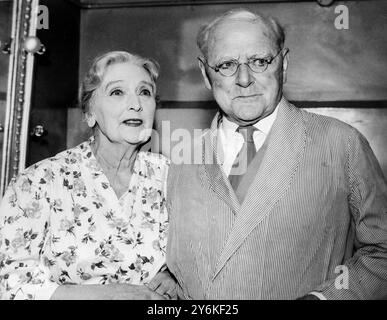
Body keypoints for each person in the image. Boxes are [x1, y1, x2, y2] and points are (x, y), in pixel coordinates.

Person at [165, 9, 387, 299]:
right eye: (227, 64)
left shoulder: (340, 143)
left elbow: (382, 251)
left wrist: (324, 299)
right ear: (206, 74)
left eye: (259, 61)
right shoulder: (182, 159)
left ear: (283, 64)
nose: (244, 79)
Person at [0, 51, 176, 300]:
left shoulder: (173, 177)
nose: (136, 104)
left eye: (145, 92)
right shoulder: (36, 183)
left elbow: (201, 255)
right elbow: (10, 283)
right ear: (89, 113)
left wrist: (175, 276)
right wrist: (107, 295)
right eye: (117, 92)